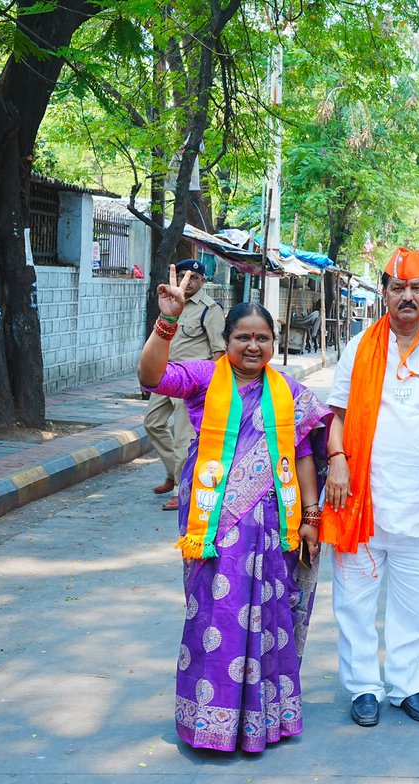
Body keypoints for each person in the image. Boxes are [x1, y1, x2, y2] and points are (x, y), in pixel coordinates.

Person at [138, 266, 342, 753]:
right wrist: (166, 322)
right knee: (216, 615)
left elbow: (309, 448)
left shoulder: (288, 389)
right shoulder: (207, 376)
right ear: (226, 341)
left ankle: (261, 721)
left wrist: (312, 516)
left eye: (263, 338)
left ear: (273, 343)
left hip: (273, 528)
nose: (253, 346)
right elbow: (152, 376)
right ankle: (210, 720)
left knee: (269, 617)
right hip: (214, 524)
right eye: (243, 337)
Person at [321, 248, 419, 728]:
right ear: (385, 293)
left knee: (415, 606)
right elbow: (338, 416)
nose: (407, 296)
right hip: (360, 501)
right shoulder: (360, 346)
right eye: (397, 287)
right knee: (355, 604)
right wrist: (337, 461)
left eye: (416, 288)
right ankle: (364, 687)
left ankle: (406, 684)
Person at [143, 258, 225, 511]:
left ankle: (182, 489)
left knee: (183, 438)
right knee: (152, 423)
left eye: (193, 277)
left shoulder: (209, 309)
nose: (186, 281)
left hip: (191, 384)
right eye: (182, 275)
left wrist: (213, 388)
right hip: (166, 376)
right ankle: (172, 471)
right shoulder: (171, 301)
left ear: (202, 281)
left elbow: (219, 351)